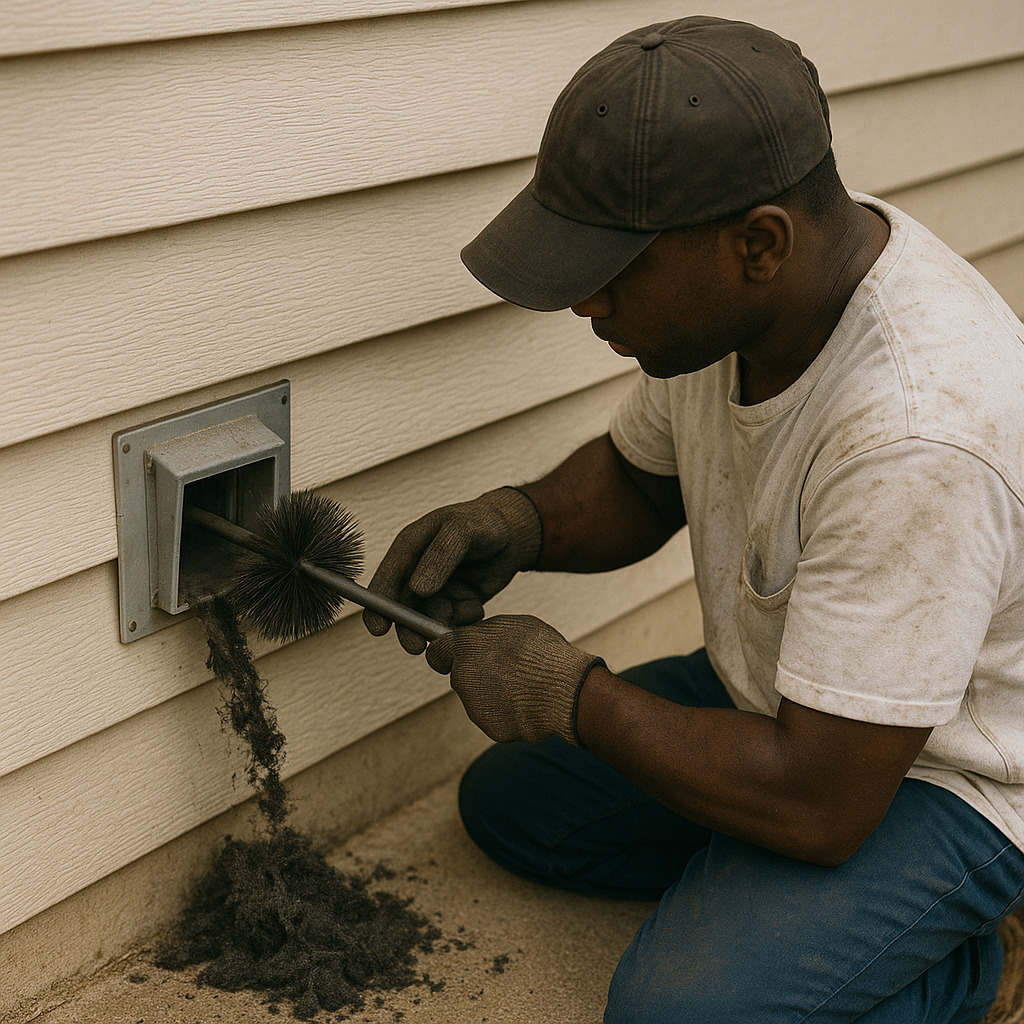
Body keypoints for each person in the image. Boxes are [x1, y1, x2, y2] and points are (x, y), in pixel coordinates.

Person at [362, 16, 1024, 1023]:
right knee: (513, 806)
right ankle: (774, 870)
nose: (586, 302)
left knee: (679, 1011)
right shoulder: (760, 301)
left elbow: (822, 802)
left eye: (612, 271)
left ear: (758, 241)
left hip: (936, 773)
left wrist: (570, 694)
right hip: (795, 701)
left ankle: (974, 956)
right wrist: (515, 522)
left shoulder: (916, 434)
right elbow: (641, 481)